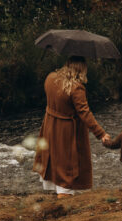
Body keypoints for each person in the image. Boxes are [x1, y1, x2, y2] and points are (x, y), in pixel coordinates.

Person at [33, 56, 111, 196]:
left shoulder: (50, 78)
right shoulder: (76, 88)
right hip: (66, 130)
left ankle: (61, 193)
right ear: (82, 69)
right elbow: (85, 113)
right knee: (67, 164)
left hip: (49, 126)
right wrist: (101, 133)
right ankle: (64, 197)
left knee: (55, 159)